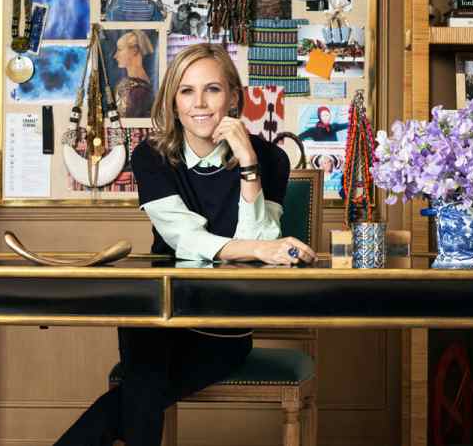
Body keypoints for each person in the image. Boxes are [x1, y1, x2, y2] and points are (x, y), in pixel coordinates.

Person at [53, 43, 316, 446]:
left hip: (225, 326)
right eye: (187, 91)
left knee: (138, 393)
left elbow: (263, 246)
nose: (200, 104)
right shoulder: (151, 156)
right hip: (159, 311)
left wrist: (248, 162)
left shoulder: (270, 159)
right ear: (173, 102)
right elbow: (188, 240)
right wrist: (259, 249)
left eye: (212, 89)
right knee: (144, 377)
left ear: (233, 97)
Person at [113, 30, 155, 118]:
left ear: (135, 50)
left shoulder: (140, 92)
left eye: (119, 49)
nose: (115, 56)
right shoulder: (123, 84)